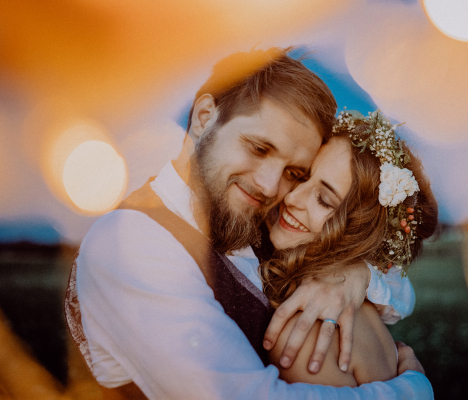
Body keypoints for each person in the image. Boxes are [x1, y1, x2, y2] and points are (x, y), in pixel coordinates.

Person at [65, 47, 434, 399]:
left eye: (293, 172)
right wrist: (412, 391)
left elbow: (389, 268)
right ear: (204, 118)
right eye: (259, 148)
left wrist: (352, 274)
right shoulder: (131, 244)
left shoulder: (255, 219)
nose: (273, 188)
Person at [260, 109, 438, 385]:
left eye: (324, 200)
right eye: (302, 176)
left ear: (359, 232)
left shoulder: (305, 339)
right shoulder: (363, 307)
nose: (292, 197)